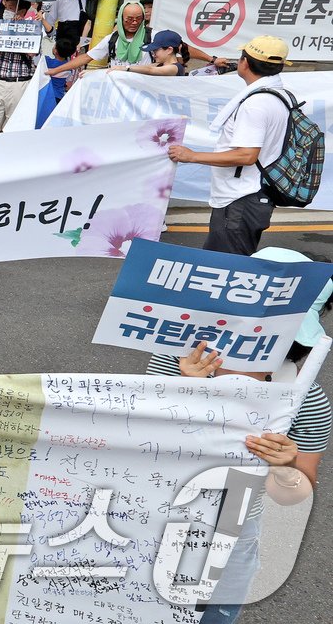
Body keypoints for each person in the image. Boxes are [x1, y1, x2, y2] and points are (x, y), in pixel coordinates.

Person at [149, 245, 330, 624]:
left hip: (233, 534)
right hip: (148, 515)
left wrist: (286, 467)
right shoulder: (176, 360)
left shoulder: (307, 398)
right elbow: (126, 440)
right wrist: (186, 394)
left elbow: (294, 495)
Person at [167, 35, 291, 255]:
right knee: (228, 267)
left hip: (241, 199)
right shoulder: (277, 95)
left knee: (223, 269)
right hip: (250, 196)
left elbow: (246, 155)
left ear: (245, 62)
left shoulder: (256, 104)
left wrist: (192, 156)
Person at [0, 7, 37, 134]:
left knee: (14, 128)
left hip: (19, 83)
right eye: (9, 8)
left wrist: (20, 31)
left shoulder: (32, 29)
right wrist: (8, 29)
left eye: (14, 8)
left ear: (23, 12)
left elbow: (32, 53)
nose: (11, 11)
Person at [117, 29, 186, 77]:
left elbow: (150, 70)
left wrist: (126, 68)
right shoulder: (158, 64)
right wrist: (119, 69)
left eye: (155, 50)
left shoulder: (175, 68)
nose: (153, 54)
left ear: (169, 50)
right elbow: (143, 67)